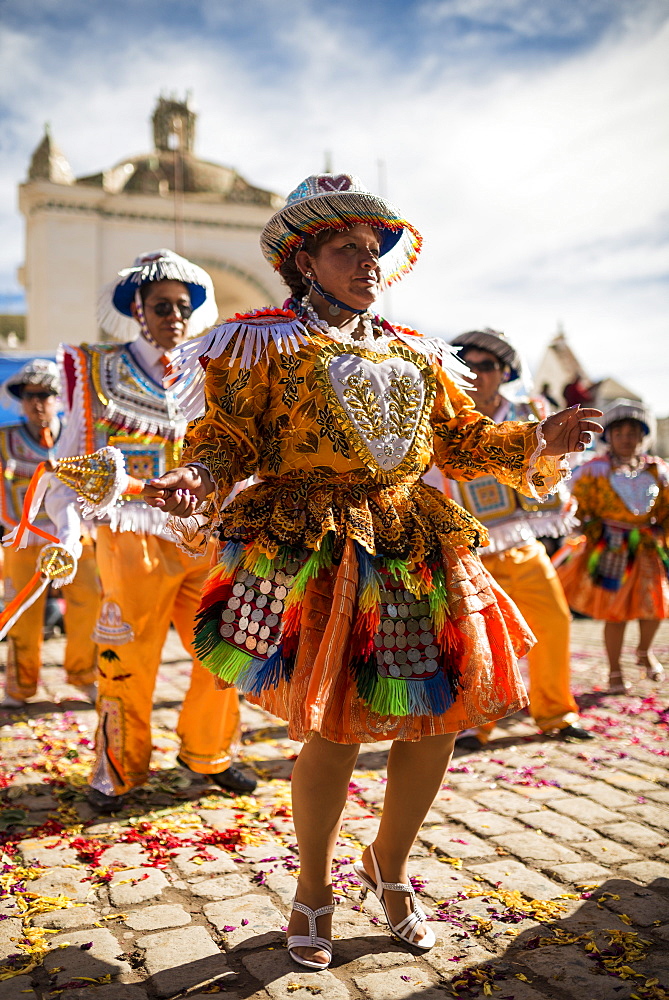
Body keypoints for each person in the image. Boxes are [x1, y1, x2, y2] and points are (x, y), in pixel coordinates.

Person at [144, 175, 601, 969]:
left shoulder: (416, 351)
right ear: (303, 260)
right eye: (345, 250)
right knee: (334, 726)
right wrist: (196, 476)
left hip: (413, 541)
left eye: (374, 250)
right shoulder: (258, 342)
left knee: (438, 716)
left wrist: (538, 440)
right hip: (319, 543)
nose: (367, 263)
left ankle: (388, 866)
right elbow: (228, 440)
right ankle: (312, 887)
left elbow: (461, 444)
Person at [45, 249, 256, 811]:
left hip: (207, 537)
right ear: (138, 309)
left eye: (183, 306)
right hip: (130, 538)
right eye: (161, 305)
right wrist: (66, 531)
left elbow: (239, 460)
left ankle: (211, 751)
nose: (174, 316)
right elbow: (67, 465)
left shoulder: (216, 372)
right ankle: (118, 768)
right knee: (126, 658)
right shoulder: (95, 370)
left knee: (225, 647)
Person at [423, 330, 592, 750]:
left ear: (505, 372)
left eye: (488, 366)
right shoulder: (442, 417)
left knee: (554, 619)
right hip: (465, 551)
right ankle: (471, 722)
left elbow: (560, 468)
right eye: (469, 365)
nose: (477, 374)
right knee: (469, 638)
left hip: (521, 544)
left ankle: (555, 712)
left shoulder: (530, 411)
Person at [0, 360, 100, 707]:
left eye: (46, 394)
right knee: (22, 613)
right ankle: (20, 686)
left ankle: (83, 675)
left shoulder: (79, 436)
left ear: (61, 399)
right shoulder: (5, 440)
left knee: (89, 603)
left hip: (74, 538)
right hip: (22, 539)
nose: (37, 402)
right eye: (29, 395)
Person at [558, 399, 668, 693]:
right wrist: (586, 529)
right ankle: (615, 671)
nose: (626, 439)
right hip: (611, 549)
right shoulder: (594, 470)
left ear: (642, 436)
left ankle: (644, 651)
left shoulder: (658, 471)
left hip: (645, 548)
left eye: (633, 433)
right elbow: (574, 507)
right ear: (608, 437)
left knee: (654, 607)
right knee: (615, 611)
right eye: (619, 433)